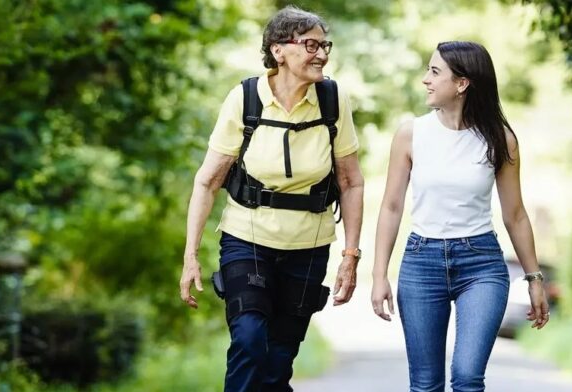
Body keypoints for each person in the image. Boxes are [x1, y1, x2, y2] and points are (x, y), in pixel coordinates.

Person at [178, 6, 364, 392]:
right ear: (279, 51)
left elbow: (351, 182)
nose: (322, 54)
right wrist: (190, 255)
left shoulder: (333, 100)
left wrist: (351, 256)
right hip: (248, 239)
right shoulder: (245, 98)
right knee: (248, 340)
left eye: (325, 45)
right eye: (311, 44)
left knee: (279, 359)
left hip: (309, 246)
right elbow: (207, 181)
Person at [371, 41, 550, 392]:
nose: (425, 80)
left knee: (468, 377)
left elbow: (515, 214)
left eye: (435, 72)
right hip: (422, 263)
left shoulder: (500, 139)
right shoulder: (411, 134)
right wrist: (379, 275)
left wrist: (535, 278)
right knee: (425, 384)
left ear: (462, 83)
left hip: (480, 265)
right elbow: (391, 207)